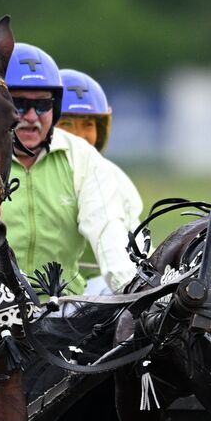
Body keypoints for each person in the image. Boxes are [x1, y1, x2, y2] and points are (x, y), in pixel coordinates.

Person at [0, 44, 135, 295]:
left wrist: (132, 290)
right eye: (19, 104)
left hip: (63, 306)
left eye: (42, 105)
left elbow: (107, 229)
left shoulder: (83, 157)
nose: (31, 116)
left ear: (56, 107)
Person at [57, 67, 148, 290]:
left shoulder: (114, 177)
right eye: (67, 123)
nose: (79, 135)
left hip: (100, 289)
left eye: (88, 124)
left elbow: (138, 253)